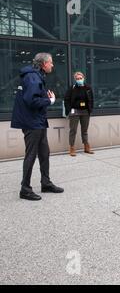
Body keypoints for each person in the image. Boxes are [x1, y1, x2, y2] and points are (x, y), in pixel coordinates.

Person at [10, 52, 64, 201]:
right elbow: (32, 101)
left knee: (44, 153)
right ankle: (25, 189)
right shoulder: (32, 77)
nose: (52, 65)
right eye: (51, 62)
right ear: (43, 64)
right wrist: (50, 100)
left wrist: (44, 97)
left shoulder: (35, 75)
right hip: (32, 123)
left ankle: (45, 183)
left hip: (38, 121)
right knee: (31, 155)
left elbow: (33, 97)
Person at [64, 72, 94, 156]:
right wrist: (69, 110)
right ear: (75, 79)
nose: (79, 80)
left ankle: (86, 147)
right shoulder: (72, 88)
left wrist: (90, 109)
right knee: (73, 130)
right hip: (75, 111)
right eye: (77, 79)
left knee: (84, 130)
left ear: (83, 78)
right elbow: (66, 99)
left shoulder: (88, 88)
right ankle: (72, 148)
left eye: (80, 78)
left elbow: (91, 99)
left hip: (85, 111)